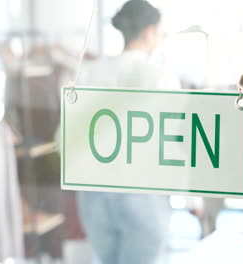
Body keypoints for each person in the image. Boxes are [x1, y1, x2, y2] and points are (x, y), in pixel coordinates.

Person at [76, 1, 180, 263]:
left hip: (93, 192)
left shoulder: (92, 71)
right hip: (142, 191)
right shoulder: (160, 75)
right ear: (148, 32)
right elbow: (174, 137)